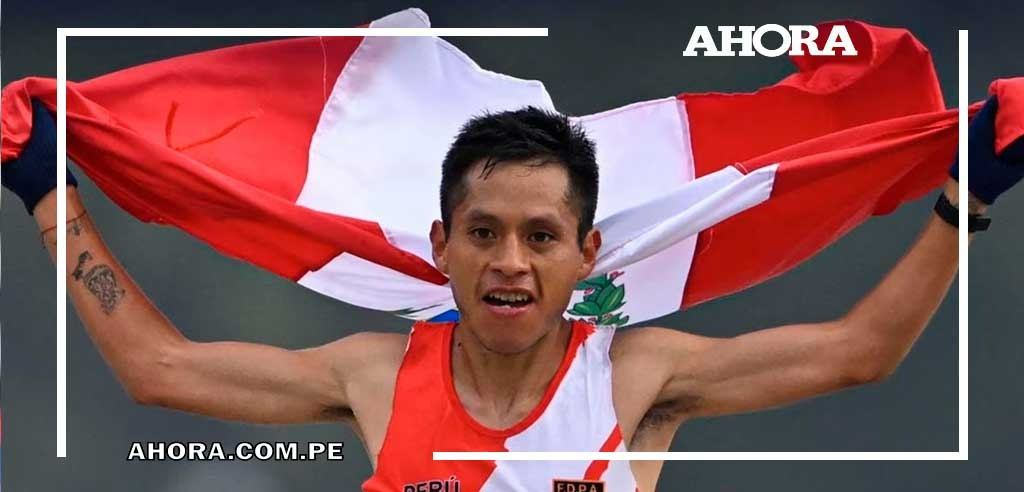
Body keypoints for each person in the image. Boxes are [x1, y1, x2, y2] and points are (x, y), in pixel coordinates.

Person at [3, 100, 1020, 492]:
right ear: (441, 248)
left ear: (586, 255)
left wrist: (963, 197)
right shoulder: (374, 376)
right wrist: (52, 195)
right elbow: (159, 371)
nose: (510, 264)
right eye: (484, 234)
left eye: (541, 238)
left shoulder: (636, 375)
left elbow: (858, 353)